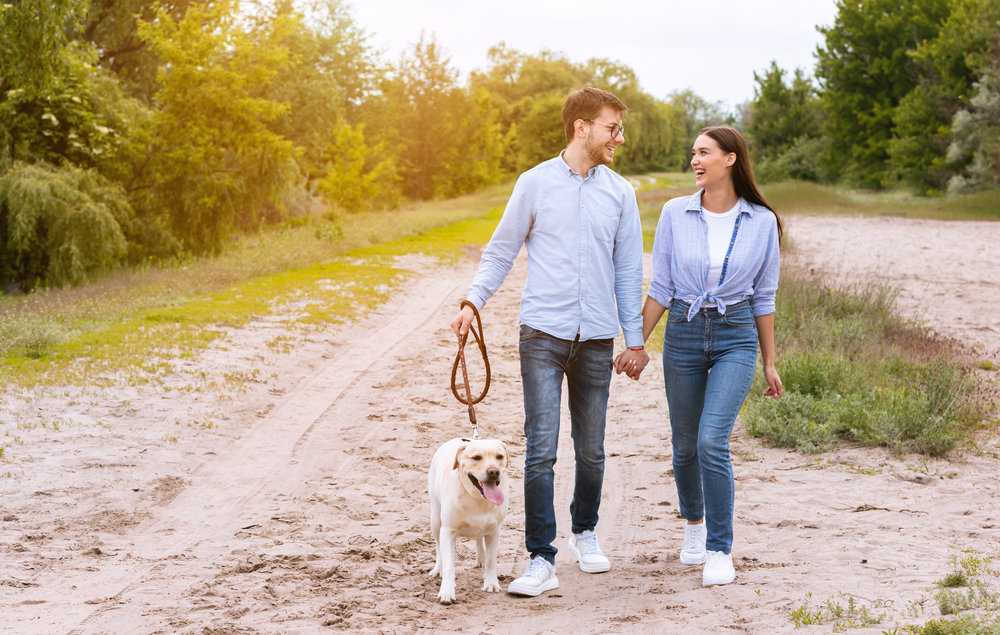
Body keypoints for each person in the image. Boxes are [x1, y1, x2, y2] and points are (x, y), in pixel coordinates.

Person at [450, 86, 649, 597]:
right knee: (539, 450)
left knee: (593, 450)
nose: (619, 138)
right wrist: (473, 302)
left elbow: (629, 271)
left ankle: (585, 530)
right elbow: (500, 251)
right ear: (582, 127)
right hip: (542, 332)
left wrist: (635, 339)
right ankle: (541, 557)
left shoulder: (620, 193)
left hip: (598, 336)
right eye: (612, 128)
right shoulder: (534, 184)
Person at [630, 125, 783, 587]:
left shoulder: (761, 221)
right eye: (692, 154)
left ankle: (720, 548)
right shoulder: (676, 213)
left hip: (737, 335)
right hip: (683, 330)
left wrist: (770, 362)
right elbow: (661, 286)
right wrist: (636, 344)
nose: (694, 161)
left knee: (711, 440)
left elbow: (765, 296)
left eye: (703, 153)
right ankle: (693, 527)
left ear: (730, 158)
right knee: (683, 445)